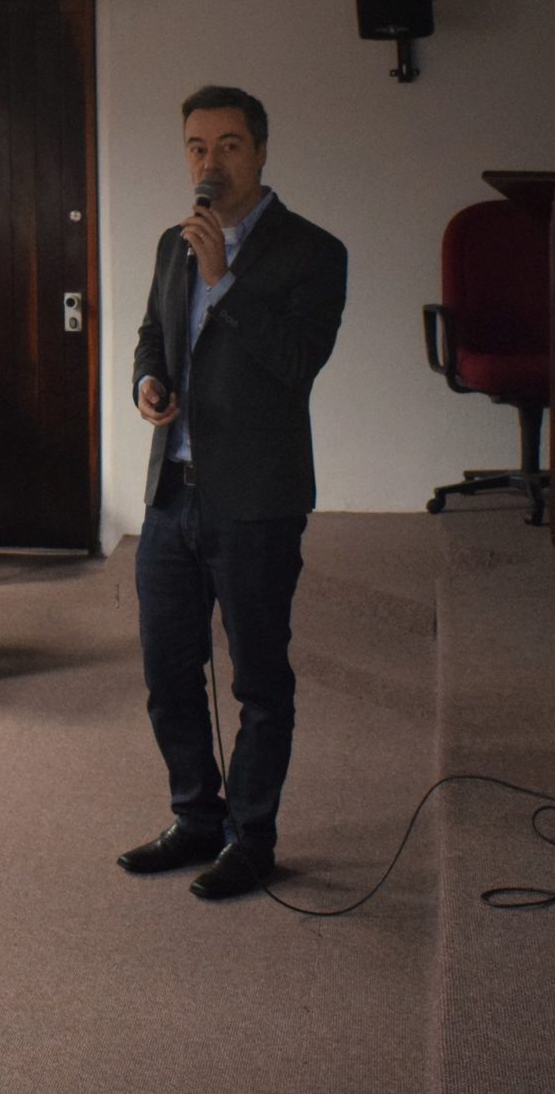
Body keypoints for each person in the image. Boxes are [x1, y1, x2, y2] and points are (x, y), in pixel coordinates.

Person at [119, 85, 348, 902]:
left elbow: (297, 364)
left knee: (257, 680)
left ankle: (253, 837)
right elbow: (154, 334)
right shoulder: (171, 245)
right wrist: (148, 381)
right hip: (172, 497)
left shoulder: (315, 252)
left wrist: (229, 279)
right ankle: (195, 817)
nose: (209, 162)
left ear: (260, 151)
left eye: (227, 145)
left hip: (256, 500)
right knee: (167, 671)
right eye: (195, 146)